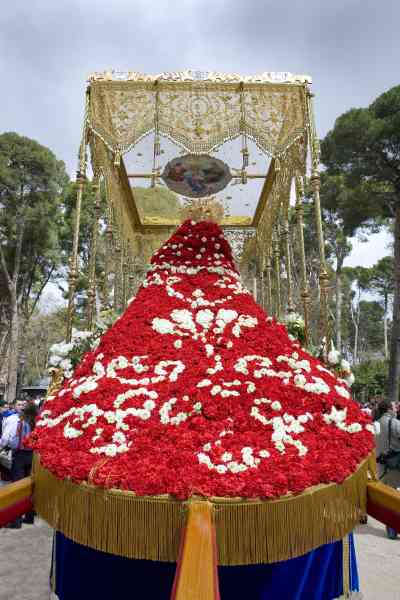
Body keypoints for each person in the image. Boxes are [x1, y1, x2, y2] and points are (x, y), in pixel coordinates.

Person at [4, 402, 37, 528]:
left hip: (20, 456)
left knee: (17, 488)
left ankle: (16, 520)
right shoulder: (36, 423)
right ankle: (29, 516)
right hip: (32, 456)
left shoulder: (20, 422)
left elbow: (13, 440)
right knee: (29, 487)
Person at [376, 399, 400, 539]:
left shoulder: (376, 423)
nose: (396, 407)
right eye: (394, 406)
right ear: (389, 409)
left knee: (387, 498)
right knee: (394, 497)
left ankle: (391, 528)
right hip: (394, 466)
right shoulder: (395, 423)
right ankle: (393, 528)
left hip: (381, 465)